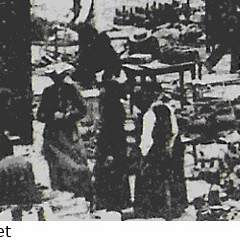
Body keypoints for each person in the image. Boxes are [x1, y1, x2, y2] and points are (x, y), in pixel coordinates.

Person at [37, 66, 92, 205]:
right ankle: (61, 197)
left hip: (69, 134)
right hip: (53, 136)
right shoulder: (47, 92)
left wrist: (68, 115)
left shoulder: (71, 90)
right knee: (57, 168)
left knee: (76, 166)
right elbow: (40, 115)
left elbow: (83, 110)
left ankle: (80, 195)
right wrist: (52, 116)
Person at [133, 100, 187, 219]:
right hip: (166, 149)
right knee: (168, 179)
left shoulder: (149, 115)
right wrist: (169, 145)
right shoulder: (168, 110)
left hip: (154, 151)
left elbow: (147, 138)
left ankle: (152, 210)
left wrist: (143, 153)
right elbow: (174, 131)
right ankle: (172, 208)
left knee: (151, 180)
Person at [92, 76, 132, 213]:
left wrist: (108, 153)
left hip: (111, 148)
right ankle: (120, 202)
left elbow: (110, 133)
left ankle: (111, 205)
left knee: (110, 176)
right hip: (116, 147)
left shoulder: (111, 110)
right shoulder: (116, 108)